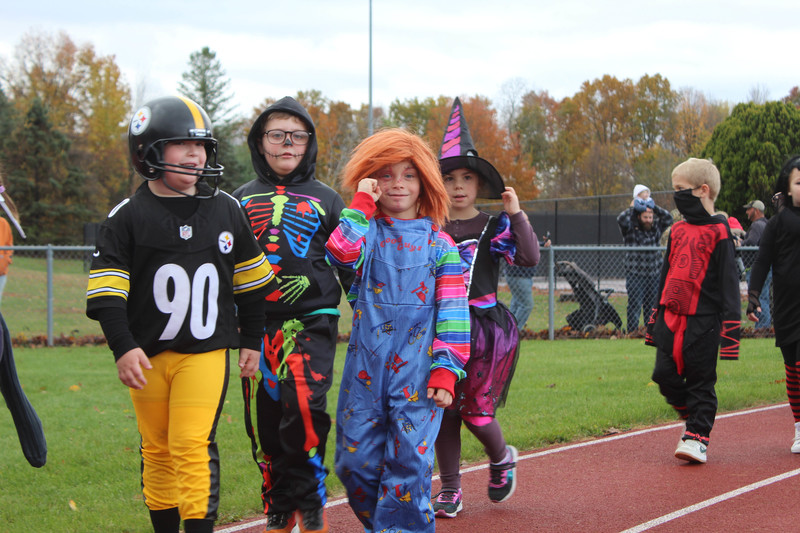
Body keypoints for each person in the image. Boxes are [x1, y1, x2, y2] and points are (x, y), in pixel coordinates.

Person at [86, 96, 275, 533]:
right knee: (156, 448)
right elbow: (107, 294)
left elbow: (250, 283)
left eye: (203, 146)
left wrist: (251, 340)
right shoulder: (127, 217)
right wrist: (123, 346)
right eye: (181, 145)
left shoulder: (227, 207)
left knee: (190, 444)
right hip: (147, 353)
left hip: (205, 351)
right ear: (147, 153)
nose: (197, 155)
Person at [325, 128, 470, 533]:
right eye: (386, 175)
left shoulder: (441, 247)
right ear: (371, 180)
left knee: (408, 468)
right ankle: (388, 527)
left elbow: (455, 315)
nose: (398, 184)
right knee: (353, 464)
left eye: (408, 174)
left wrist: (446, 370)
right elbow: (339, 250)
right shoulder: (366, 234)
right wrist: (361, 203)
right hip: (364, 373)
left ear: (424, 181)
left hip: (419, 375)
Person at [232, 96, 352, 533]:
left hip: (313, 321)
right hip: (257, 328)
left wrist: (363, 312)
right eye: (276, 134)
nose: (287, 143)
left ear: (309, 144)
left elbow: (348, 260)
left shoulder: (327, 199)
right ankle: (280, 498)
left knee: (305, 405)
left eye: (297, 135)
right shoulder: (240, 200)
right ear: (260, 142)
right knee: (269, 415)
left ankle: (309, 493)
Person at [431, 97, 539, 518]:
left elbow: (528, 258)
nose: (458, 186)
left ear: (480, 185)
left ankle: (500, 458)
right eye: (450, 178)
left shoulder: (495, 227)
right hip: (439, 328)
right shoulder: (429, 226)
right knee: (444, 409)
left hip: (485, 331)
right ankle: (451, 489)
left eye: (467, 178)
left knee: (476, 412)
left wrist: (517, 214)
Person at [645, 158, 740, 464]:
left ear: (702, 190)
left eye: (681, 189)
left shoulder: (721, 231)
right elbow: (666, 274)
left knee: (701, 379)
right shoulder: (676, 230)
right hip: (670, 317)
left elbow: (728, 284)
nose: (676, 195)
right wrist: (654, 319)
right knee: (663, 375)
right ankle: (693, 418)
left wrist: (731, 336)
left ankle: (698, 435)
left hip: (704, 322)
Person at [747, 155, 800, 452]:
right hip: (788, 308)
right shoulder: (777, 225)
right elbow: (762, 262)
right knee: (792, 368)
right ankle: (799, 428)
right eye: (799, 182)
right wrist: (753, 297)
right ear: (788, 188)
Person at [617, 184, 673, 333]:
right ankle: (633, 332)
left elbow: (668, 218)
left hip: (654, 274)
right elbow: (621, 219)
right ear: (639, 216)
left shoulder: (656, 227)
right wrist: (633, 207)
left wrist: (653, 207)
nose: (648, 220)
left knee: (652, 306)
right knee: (635, 304)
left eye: (650, 217)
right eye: (645, 216)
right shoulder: (630, 228)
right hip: (636, 274)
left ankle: (651, 332)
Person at [505, 232, 550, 333]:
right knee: (526, 305)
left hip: (523, 276)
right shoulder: (514, 236)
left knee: (516, 303)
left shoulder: (524, 238)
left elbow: (531, 244)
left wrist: (543, 243)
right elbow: (527, 244)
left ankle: (506, 331)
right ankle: (512, 333)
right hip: (518, 276)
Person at [742, 199, 771, 329]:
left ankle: (762, 328)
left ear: (756, 210)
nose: (747, 212)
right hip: (767, 266)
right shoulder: (767, 224)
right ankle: (765, 327)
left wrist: (740, 243)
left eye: (749, 209)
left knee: (759, 297)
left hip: (756, 267)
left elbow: (751, 242)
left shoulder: (756, 225)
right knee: (764, 296)